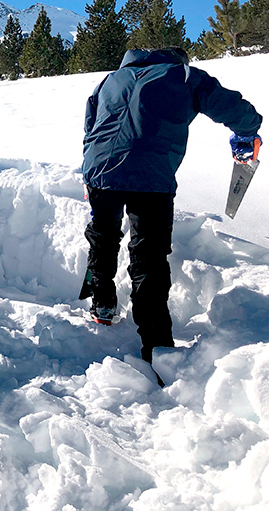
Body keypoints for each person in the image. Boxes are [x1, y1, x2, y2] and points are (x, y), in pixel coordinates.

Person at [80, 47, 262, 362]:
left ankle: (102, 302)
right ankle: (157, 346)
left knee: (103, 235)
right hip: (151, 175)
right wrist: (248, 132)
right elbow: (227, 105)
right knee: (148, 257)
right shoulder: (183, 74)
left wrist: (90, 170)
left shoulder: (111, 79)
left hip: (99, 170)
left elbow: (90, 127)